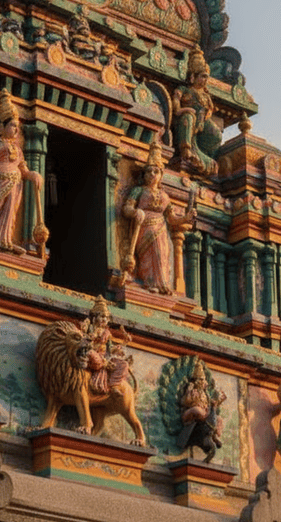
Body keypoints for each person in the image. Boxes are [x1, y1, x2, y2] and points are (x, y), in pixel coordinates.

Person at [121, 137, 195, 294]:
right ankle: (148, 283)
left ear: (161, 175)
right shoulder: (139, 190)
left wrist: (186, 218)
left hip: (161, 229)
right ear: (144, 175)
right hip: (143, 226)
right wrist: (135, 212)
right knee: (148, 256)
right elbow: (126, 208)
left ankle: (162, 285)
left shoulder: (165, 196)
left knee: (161, 255)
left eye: (156, 171)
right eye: (149, 171)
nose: (152, 174)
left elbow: (172, 218)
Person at [0, 90, 42, 253]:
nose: (16, 130)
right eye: (12, 125)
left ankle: (5, 240)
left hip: (15, 183)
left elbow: (24, 170)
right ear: (1, 126)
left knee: (10, 211)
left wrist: (33, 175)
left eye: (17, 126)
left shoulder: (18, 149)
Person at [172, 46, 222, 175]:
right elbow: (176, 100)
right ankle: (186, 149)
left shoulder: (206, 95)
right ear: (193, 77)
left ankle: (205, 154)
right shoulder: (184, 90)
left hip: (201, 123)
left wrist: (206, 114)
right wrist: (181, 110)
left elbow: (209, 109)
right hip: (185, 120)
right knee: (188, 117)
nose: (205, 80)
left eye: (207, 77)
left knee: (217, 134)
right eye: (202, 76)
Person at [82, 296, 130, 395]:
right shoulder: (91, 328)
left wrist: (120, 347)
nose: (104, 319)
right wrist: (91, 336)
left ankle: (113, 385)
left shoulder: (107, 333)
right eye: (102, 316)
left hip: (103, 358)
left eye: (106, 318)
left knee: (123, 364)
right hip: (93, 356)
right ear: (95, 317)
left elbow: (110, 348)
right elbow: (85, 342)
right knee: (91, 354)